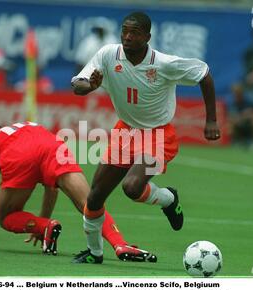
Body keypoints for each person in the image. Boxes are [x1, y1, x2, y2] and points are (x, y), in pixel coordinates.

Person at [71, 12, 220, 264]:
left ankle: (169, 199)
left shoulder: (164, 64)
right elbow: (78, 84)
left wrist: (212, 120)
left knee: (131, 187)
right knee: (95, 196)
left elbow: (203, 74)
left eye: (135, 32)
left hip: (158, 135)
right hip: (125, 131)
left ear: (147, 37)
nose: (128, 37)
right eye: (125, 31)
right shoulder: (108, 54)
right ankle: (94, 253)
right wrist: (90, 87)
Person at [0, 121, 157, 262]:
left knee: (6, 216)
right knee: (91, 203)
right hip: (53, 147)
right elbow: (51, 189)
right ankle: (120, 244)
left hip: (18, 156)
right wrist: (44, 225)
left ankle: (44, 226)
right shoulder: (26, 127)